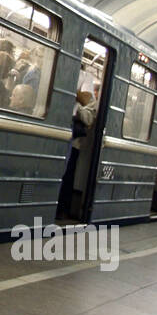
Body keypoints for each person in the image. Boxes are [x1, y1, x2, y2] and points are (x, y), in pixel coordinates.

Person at [56, 90, 97, 220]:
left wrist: (78, 106)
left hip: (77, 144)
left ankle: (62, 209)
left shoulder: (93, 102)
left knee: (68, 175)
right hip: (73, 142)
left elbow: (88, 119)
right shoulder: (90, 101)